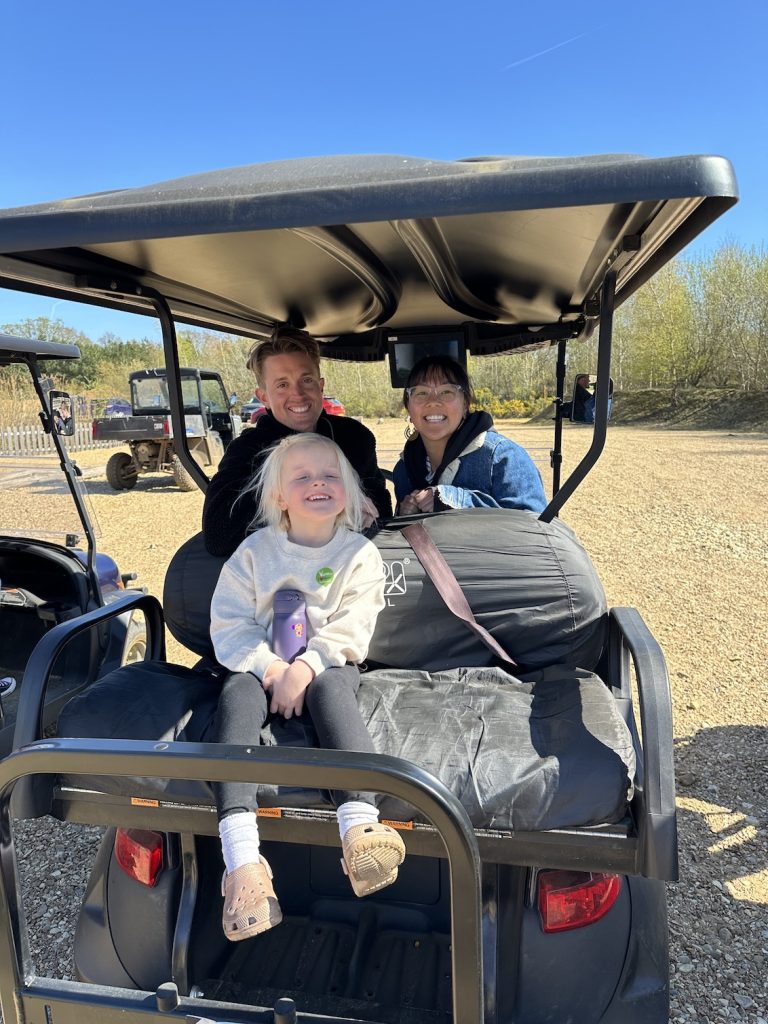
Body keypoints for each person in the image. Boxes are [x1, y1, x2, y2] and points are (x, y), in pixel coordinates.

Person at [209, 433, 406, 941]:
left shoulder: (359, 555)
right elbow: (230, 623)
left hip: (326, 666)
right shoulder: (254, 554)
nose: (318, 483)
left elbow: (354, 625)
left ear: (349, 489)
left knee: (333, 693)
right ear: (278, 497)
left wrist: (308, 667)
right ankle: (243, 862)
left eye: (330, 476)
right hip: (261, 667)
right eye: (302, 477)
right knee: (235, 697)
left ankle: (360, 827)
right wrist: (271, 669)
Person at [202, 327, 392, 556]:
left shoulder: (354, 437)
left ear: (320, 386)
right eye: (282, 385)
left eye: (307, 380)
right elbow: (217, 537)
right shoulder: (247, 449)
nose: (298, 394)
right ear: (264, 397)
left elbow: (381, 510)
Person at [393, 355, 547, 515]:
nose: (433, 401)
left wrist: (452, 500)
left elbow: (534, 526)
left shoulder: (502, 457)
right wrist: (403, 514)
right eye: (421, 393)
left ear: (466, 403)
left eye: (446, 391)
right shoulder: (403, 469)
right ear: (408, 407)